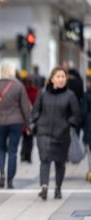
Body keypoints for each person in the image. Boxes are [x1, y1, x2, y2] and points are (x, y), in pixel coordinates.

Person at [32, 67, 79, 200]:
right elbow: (35, 110)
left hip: (62, 134)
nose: (61, 79)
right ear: (52, 79)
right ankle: (44, 187)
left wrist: (68, 124)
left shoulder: (70, 95)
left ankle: (58, 188)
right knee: (45, 159)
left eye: (63, 77)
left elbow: (75, 114)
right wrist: (38, 122)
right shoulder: (42, 93)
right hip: (44, 132)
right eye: (58, 76)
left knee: (60, 162)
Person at [0, 63, 31, 189]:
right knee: (13, 151)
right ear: (13, 72)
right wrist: (29, 125)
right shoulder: (18, 86)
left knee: (1, 148)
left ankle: (2, 174)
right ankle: (10, 180)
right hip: (16, 121)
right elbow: (25, 107)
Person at [20, 77, 39, 163]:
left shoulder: (21, 91)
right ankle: (28, 156)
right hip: (31, 119)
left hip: (23, 118)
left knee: (24, 137)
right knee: (30, 137)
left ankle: (23, 154)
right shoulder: (36, 91)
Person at [80, 77, 91, 182]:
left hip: (89, 127)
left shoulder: (86, 96)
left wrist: (80, 126)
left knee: (90, 153)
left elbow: (82, 113)